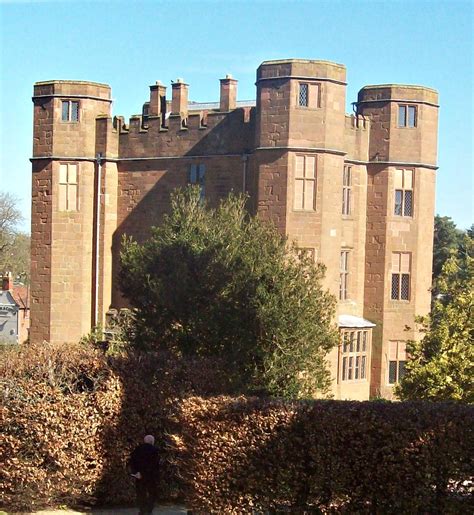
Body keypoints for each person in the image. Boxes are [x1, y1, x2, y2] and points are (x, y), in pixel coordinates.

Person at [128, 434, 160, 515]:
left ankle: (142, 510)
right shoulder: (155, 450)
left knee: (141, 493)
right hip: (151, 476)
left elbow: (132, 462)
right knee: (152, 493)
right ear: (152, 441)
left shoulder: (137, 449)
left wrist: (136, 472)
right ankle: (149, 510)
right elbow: (155, 464)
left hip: (139, 475)